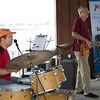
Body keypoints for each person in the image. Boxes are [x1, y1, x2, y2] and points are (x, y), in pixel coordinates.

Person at [72, 6, 99, 98]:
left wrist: (93, 43)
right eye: (86, 11)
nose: (88, 13)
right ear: (81, 12)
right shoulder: (78, 21)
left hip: (83, 50)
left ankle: (78, 89)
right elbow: (74, 34)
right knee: (86, 71)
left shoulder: (83, 22)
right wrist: (86, 40)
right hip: (79, 50)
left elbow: (86, 40)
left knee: (81, 70)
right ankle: (87, 92)